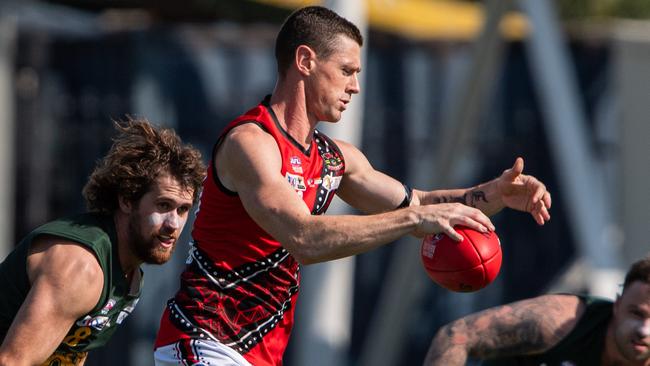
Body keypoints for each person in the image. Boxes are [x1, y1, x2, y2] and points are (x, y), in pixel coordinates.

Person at [153, 5, 552, 366]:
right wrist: (415, 219)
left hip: (252, 356)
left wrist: (490, 195)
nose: (355, 87)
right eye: (346, 71)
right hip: (201, 342)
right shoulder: (251, 143)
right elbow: (304, 238)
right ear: (305, 60)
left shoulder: (334, 158)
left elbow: (418, 201)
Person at [0, 118, 205, 366]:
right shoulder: (82, 268)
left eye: (183, 210)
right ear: (127, 200)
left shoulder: (126, 272)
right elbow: (12, 361)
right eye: (163, 205)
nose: (174, 223)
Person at [425, 256, 650, 366]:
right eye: (637, 314)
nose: (644, 330)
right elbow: (455, 337)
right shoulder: (558, 323)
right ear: (618, 305)